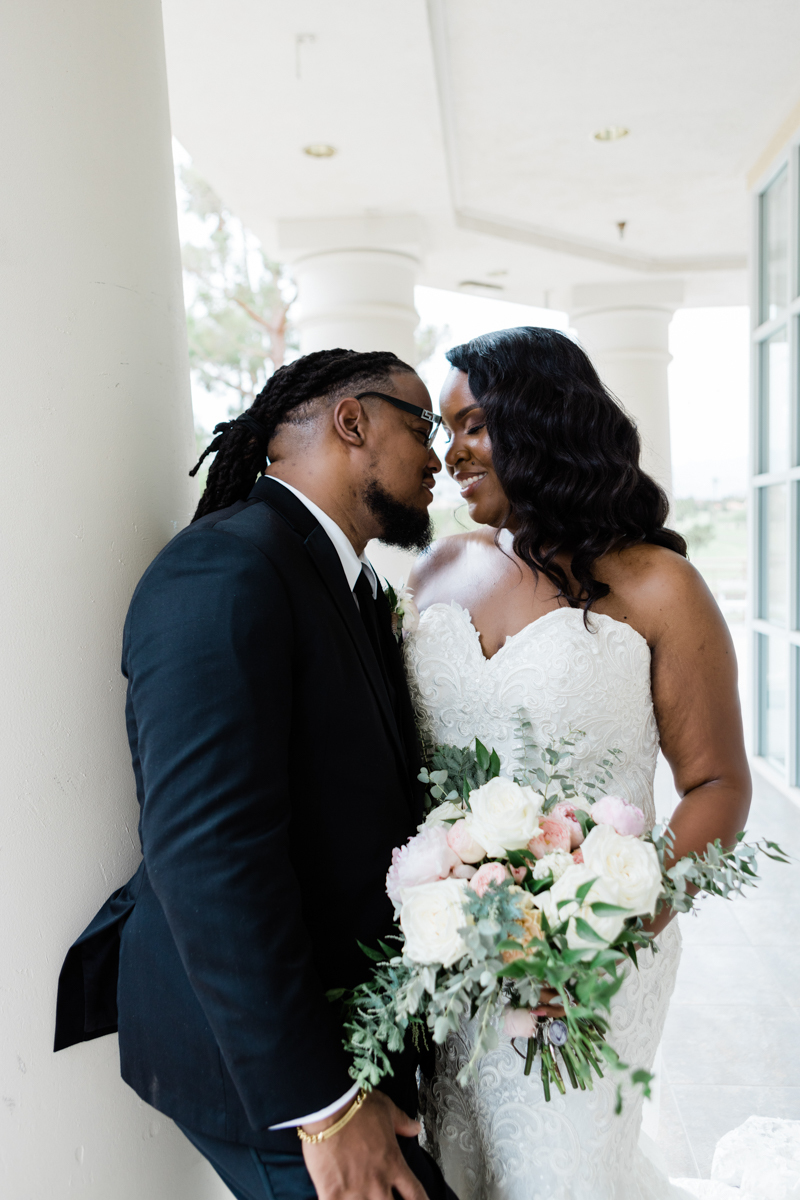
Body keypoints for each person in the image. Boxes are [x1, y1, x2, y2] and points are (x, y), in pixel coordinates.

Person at [54, 348, 459, 1200]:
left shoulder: (344, 582)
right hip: (266, 1070)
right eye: (422, 426)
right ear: (352, 421)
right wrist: (325, 1107)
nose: (440, 456)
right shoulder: (225, 569)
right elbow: (208, 855)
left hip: (345, 1038)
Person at [406, 326, 752, 1200]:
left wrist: (604, 937)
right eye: (446, 433)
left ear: (544, 417)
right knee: (461, 1162)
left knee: (558, 1176)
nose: (452, 455)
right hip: (451, 950)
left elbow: (718, 785)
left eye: (474, 425)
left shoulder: (659, 586)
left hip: (594, 960)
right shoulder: (439, 569)